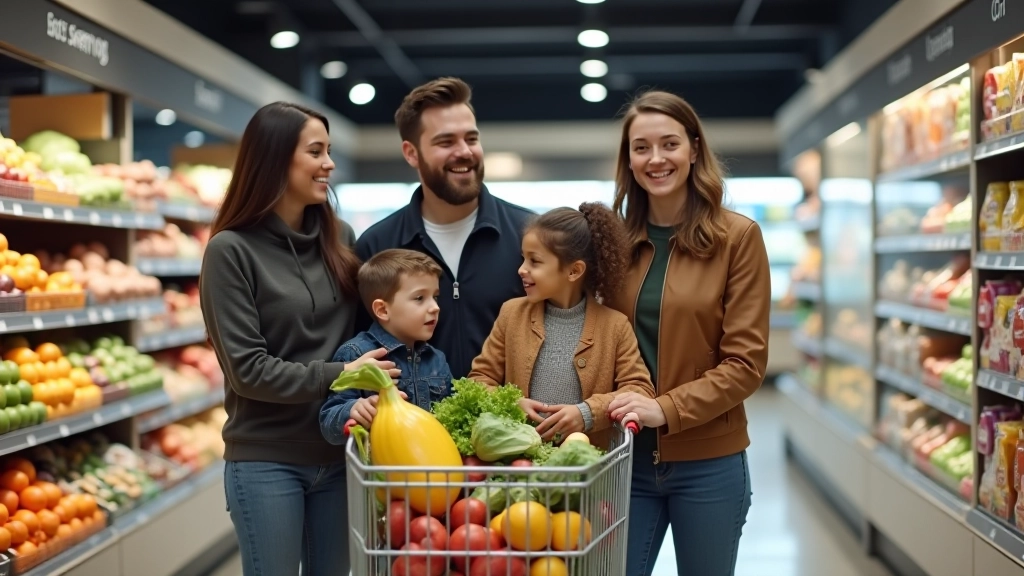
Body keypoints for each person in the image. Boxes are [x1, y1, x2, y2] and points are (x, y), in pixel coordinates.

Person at [200, 102, 399, 576]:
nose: (329, 163)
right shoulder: (231, 251)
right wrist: (341, 376)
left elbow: (358, 333)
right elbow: (248, 371)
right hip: (267, 459)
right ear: (274, 160)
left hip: (339, 452)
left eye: (329, 150)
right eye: (316, 151)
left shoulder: (339, 237)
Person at [604, 91, 771, 576]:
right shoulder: (612, 243)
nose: (656, 159)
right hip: (624, 457)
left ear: (694, 149)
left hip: (709, 464)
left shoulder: (736, 239)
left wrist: (665, 408)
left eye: (669, 143)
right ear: (629, 159)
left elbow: (745, 365)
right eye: (641, 147)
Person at [355, 77, 533, 379]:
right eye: (446, 141)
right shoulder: (376, 246)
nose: (464, 151)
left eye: (471, 139)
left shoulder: (529, 236)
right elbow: (362, 351)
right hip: (413, 424)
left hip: (515, 422)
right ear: (411, 153)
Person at [467, 203, 654, 449]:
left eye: (535, 261)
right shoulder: (511, 314)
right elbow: (478, 379)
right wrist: (510, 403)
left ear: (574, 271)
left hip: (589, 471)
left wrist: (587, 413)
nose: (521, 269)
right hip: (522, 465)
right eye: (523, 258)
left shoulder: (615, 326)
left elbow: (640, 390)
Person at [320, 249, 454, 439]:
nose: (435, 307)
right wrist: (352, 409)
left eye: (436, 296)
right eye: (419, 298)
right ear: (382, 310)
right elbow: (327, 423)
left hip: (432, 464)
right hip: (380, 466)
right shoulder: (355, 354)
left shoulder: (437, 359)